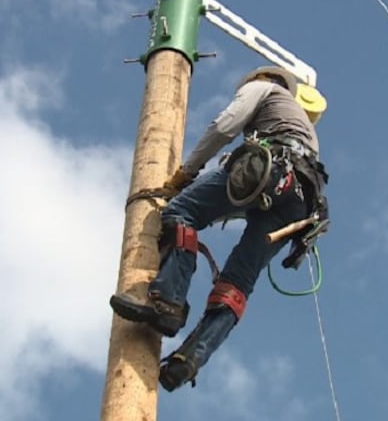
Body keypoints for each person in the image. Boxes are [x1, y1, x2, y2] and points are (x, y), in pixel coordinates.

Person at [110, 65, 330, 391]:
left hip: (270, 168)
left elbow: (225, 125)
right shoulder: (303, 127)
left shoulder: (266, 89)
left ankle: (168, 302)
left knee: (181, 212)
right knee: (239, 280)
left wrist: (187, 173)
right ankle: (191, 359)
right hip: (300, 203)